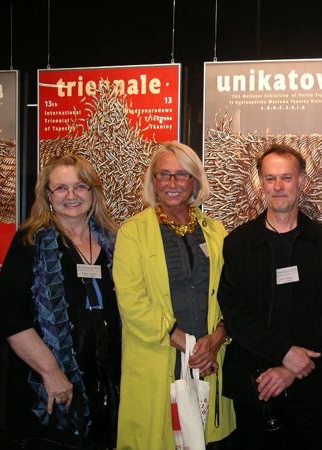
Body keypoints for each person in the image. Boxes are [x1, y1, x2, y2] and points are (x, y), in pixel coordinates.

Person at [217, 143, 322, 450]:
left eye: (286, 178)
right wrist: (284, 352)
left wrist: (290, 368)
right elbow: (234, 311)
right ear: (260, 182)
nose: (278, 186)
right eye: (270, 178)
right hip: (255, 385)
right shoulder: (239, 243)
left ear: (301, 181)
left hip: (309, 384)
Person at [113, 142, 235, 449]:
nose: (172, 182)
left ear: (194, 180)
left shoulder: (216, 232)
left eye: (182, 174)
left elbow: (232, 294)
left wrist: (215, 339)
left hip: (208, 362)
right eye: (163, 174)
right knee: (161, 439)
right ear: (152, 180)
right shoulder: (132, 233)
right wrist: (186, 343)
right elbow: (132, 301)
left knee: (205, 439)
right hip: (158, 359)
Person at [0, 154, 120, 449]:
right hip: (45, 386)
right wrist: (51, 373)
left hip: (101, 382)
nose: (71, 195)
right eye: (61, 188)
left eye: (80, 186)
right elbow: (9, 316)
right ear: (48, 196)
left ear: (93, 192)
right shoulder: (30, 241)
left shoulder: (113, 242)